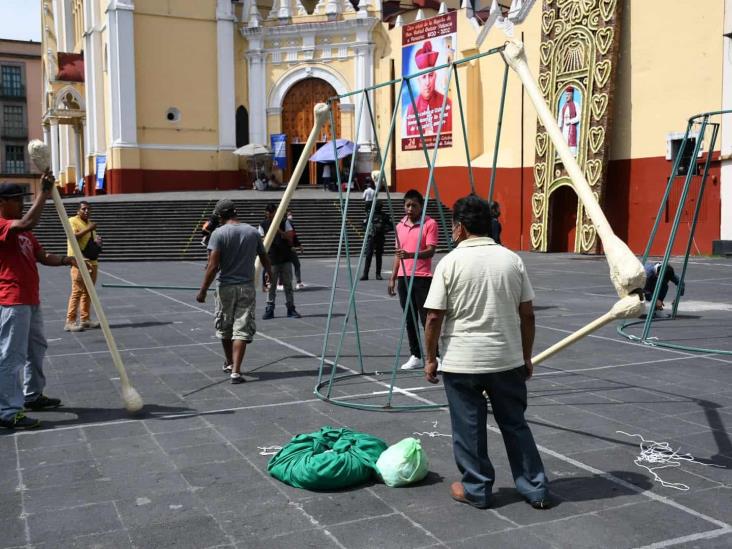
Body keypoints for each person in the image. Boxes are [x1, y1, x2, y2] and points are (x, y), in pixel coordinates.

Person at [422, 194, 549, 510]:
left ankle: (477, 488)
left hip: (462, 362)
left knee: (468, 427)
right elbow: (528, 313)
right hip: (506, 359)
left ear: (460, 227)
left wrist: (430, 358)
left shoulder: (449, 263)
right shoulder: (511, 259)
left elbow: (434, 316)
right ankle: (534, 487)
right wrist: (526, 355)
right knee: (515, 424)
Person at [1, 178, 73, 429]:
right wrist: (44, 193)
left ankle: (32, 395)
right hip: (12, 300)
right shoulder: (4, 225)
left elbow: (42, 256)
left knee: (36, 349)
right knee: (12, 356)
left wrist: (67, 260)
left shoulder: (25, 232)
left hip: (31, 299)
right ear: (3, 203)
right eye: (18, 199)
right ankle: (8, 411)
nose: (22, 203)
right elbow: (27, 221)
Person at [197, 199, 272, 384]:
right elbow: (264, 256)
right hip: (246, 286)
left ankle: (230, 362)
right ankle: (236, 372)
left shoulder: (218, 234)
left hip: (225, 287)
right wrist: (270, 274)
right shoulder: (252, 232)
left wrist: (203, 291)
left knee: (225, 327)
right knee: (242, 328)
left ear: (221, 215)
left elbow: (213, 266)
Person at [387, 189, 439, 370]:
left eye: (414, 205)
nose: (410, 209)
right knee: (409, 318)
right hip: (404, 277)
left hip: (422, 277)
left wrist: (410, 255)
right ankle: (416, 355)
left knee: (427, 319)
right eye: (407, 205)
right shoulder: (399, 226)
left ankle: (435, 355)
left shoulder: (429, 223)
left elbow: (431, 250)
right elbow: (397, 255)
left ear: (421, 206)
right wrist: (393, 277)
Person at [259, 203, 301, 319]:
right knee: (271, 286)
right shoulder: (263, 224)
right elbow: (262, 240)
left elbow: (290, 237)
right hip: (271, 259)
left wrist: (278, 231)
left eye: (272, 213)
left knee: (288, 285)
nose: (270, 216)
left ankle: (291, 309)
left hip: (285, 258)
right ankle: (269, 309)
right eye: (268, 214)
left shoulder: (284, 222)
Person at [65, 201, 102, 332]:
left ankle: (85, 319)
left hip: (92, 261)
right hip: (78, 261)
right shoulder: (72, 221)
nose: (87, 211)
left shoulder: (89, 223)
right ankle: (70, 321)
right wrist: (89, 229)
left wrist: (97, 241)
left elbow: (89, 241)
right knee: (77, 291)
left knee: (89, 291)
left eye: (88, 209)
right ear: (78, 211)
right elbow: (73, 237)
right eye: (84, 209)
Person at [405, 40, 453, 137]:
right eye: (423, 77)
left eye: (430, 76)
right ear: (418, 80)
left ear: (435, 76)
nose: (427, 83)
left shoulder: (447, 104)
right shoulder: (410, 110)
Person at [361, 201, 393, 281]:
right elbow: (363, 225)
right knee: (368, 256)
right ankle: (365, 274)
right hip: (371, 237)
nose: (378, 208)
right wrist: (369, 230)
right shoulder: (370, 215)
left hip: (380, 237)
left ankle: (378, 274)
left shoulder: (384, 216)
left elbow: (391, 226)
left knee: (379, 256)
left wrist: (383, 230)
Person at [558, 86, 580, 156]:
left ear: (572, 95)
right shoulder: (563, 107)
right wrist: (559, 128)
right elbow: (560, 118)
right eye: (566, 95)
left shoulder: (576, 105)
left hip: (571, 129)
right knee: (563, 143)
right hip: (564, 129)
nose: (566, 96)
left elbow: (579, 117)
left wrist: (570, 121)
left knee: (571, 145)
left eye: (568, 95)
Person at [287, 209, 305, 289]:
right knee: (284, 266)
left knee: (296, 264)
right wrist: (291, 246)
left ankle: (298, 281)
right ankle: (282, 283)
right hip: (286, 249)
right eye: (289, 215)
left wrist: (299, 245)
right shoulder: (283, 224)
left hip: (291, 248)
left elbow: (294, 237)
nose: (291, 216)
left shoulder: (291, 224)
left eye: (291, 214)